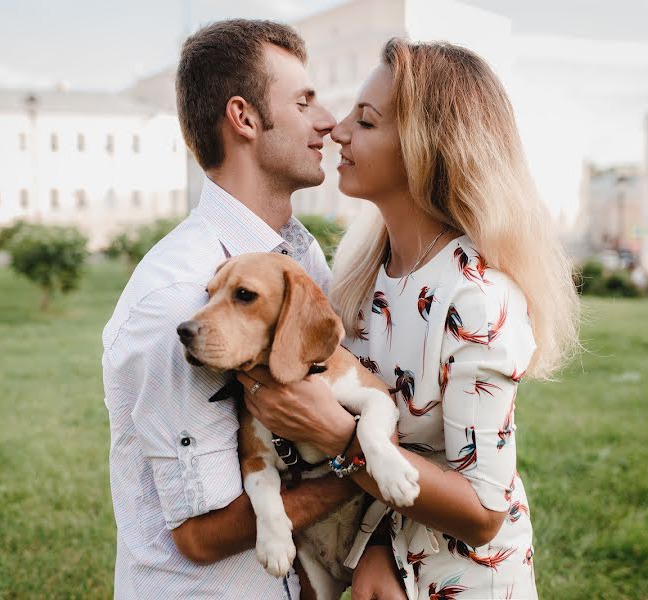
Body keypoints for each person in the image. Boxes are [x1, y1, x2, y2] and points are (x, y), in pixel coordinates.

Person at [241, 39, 580, 599]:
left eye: (366, 122)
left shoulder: (477, 297)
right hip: (381, 563)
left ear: (426, 146)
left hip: (464, 579)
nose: (338, 131)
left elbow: (482, 512)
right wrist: (378, 548)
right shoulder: (359, 276)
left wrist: (334, 434)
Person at [101, 19, 360, 599]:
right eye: (303, 102)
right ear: (243, 118)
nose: (329, 122)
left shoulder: (297, 255)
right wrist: (364, 469)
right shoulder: (175, 296)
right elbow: (199, 535)